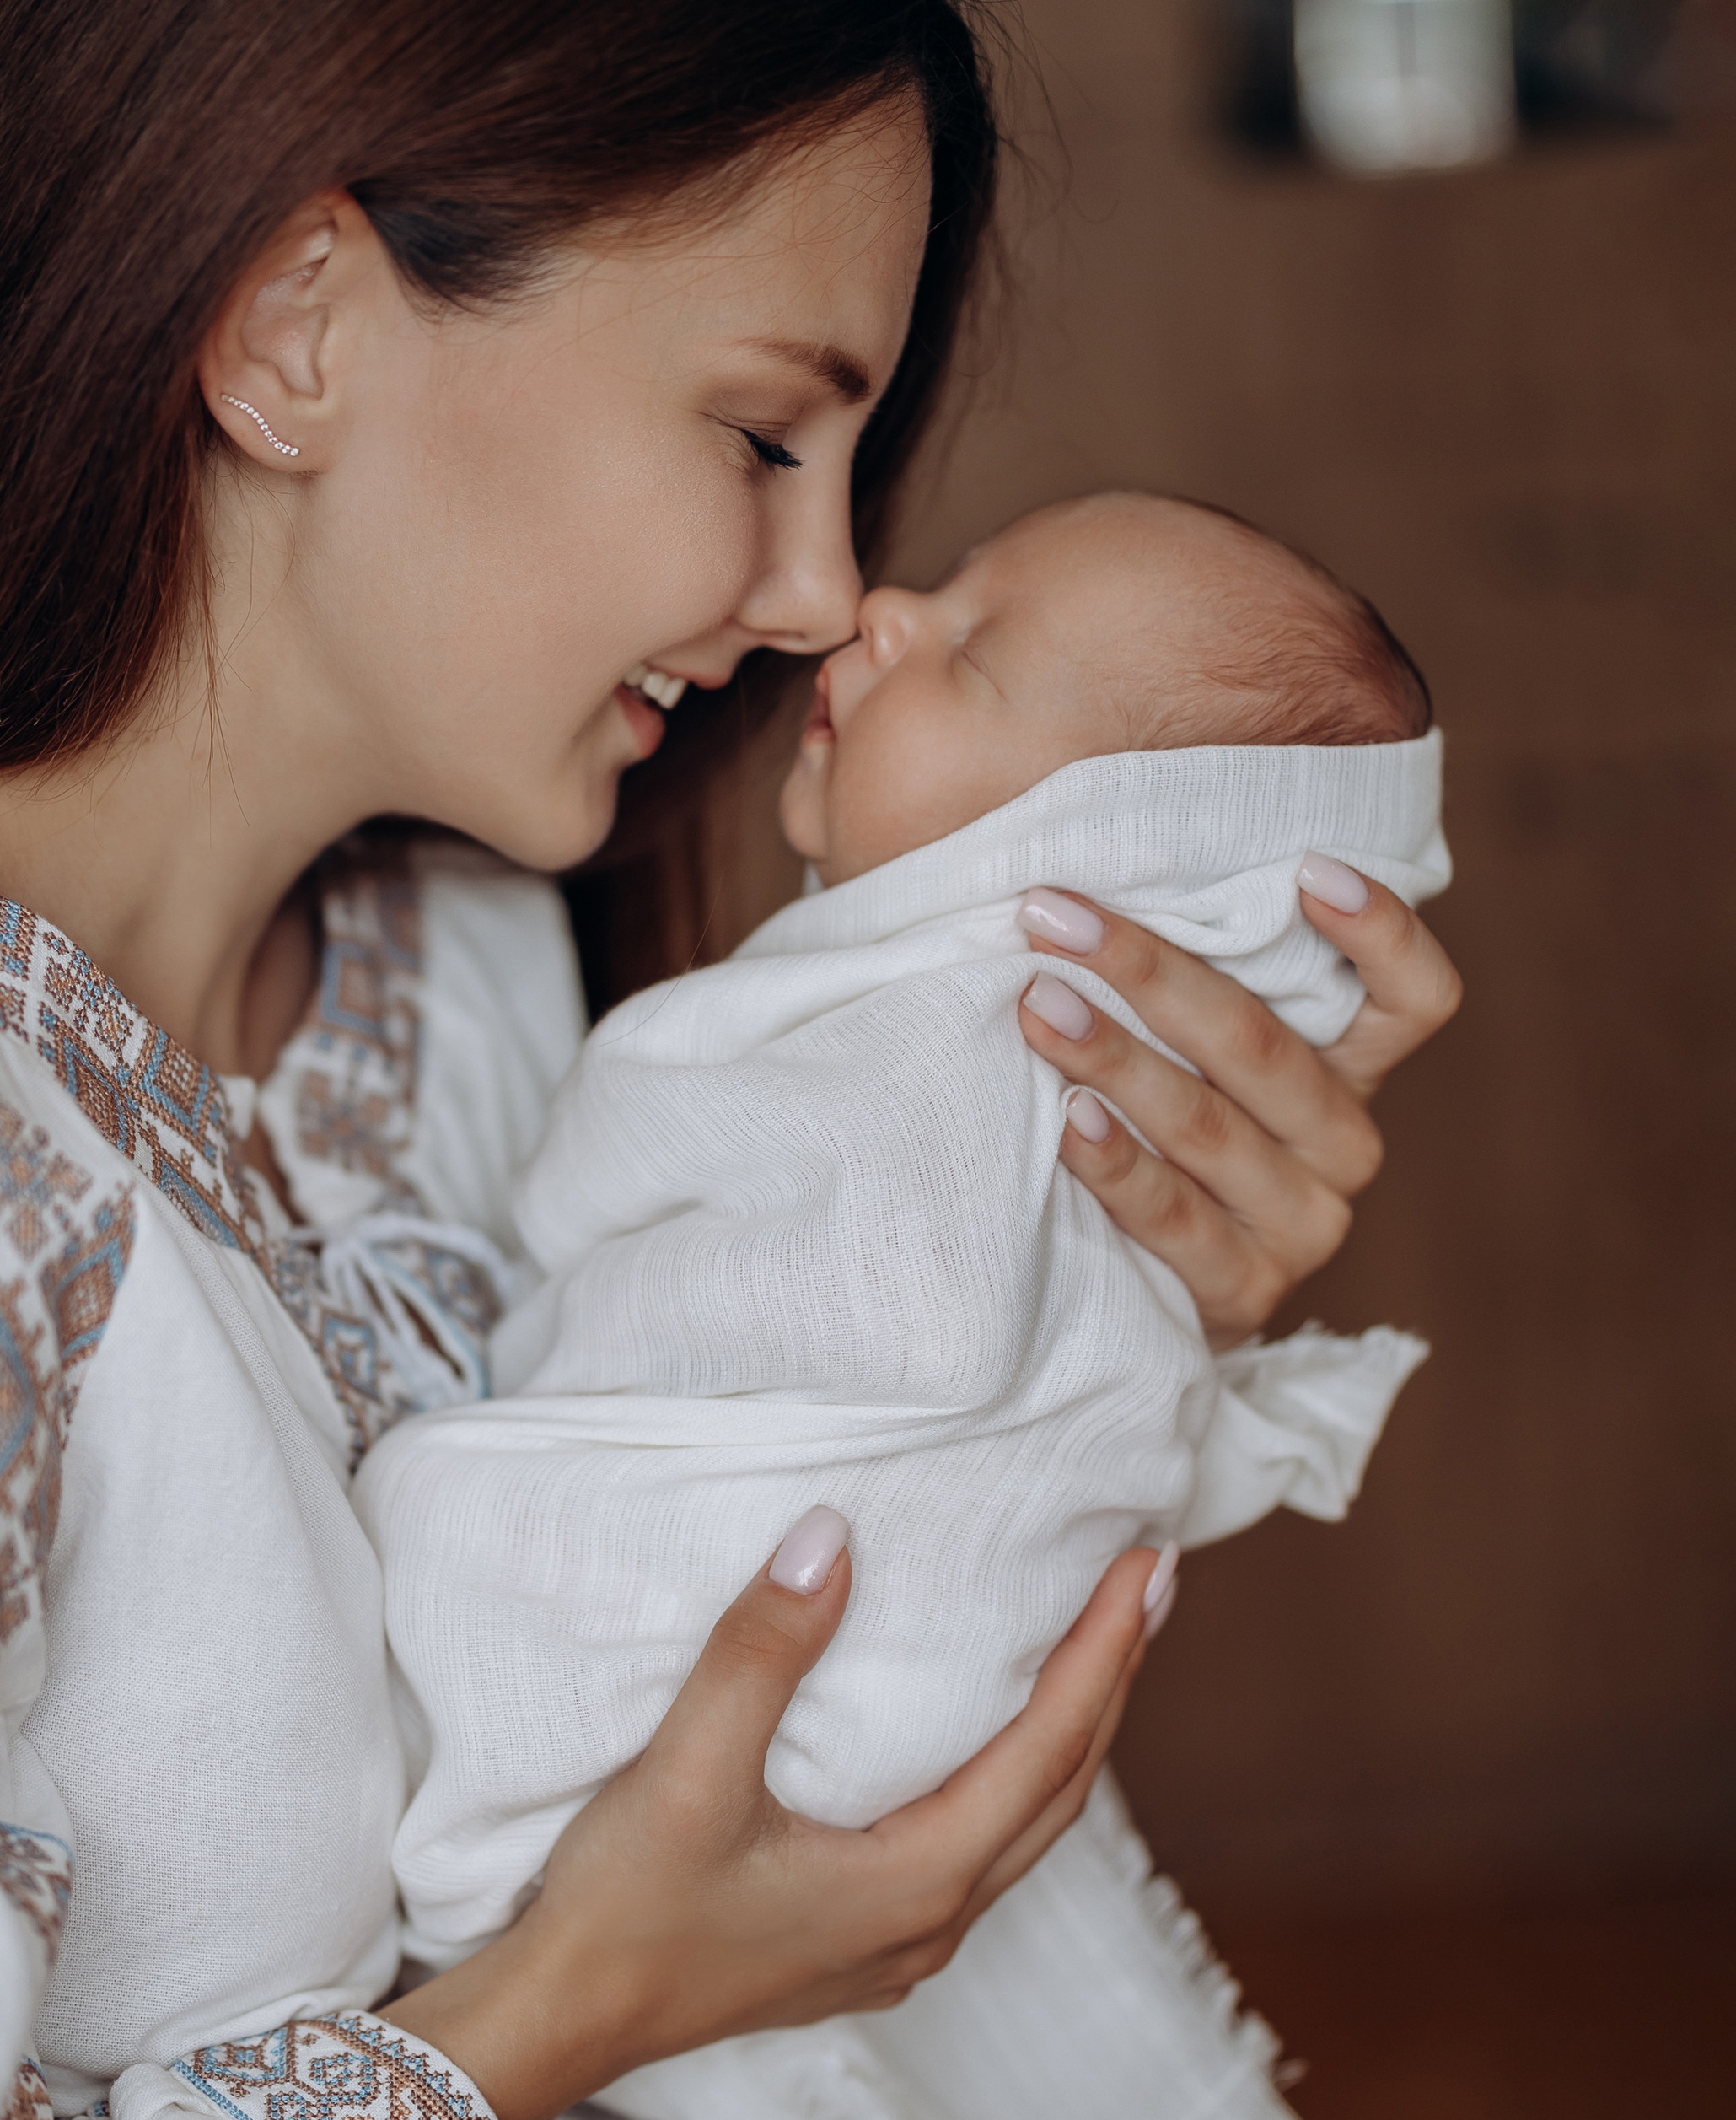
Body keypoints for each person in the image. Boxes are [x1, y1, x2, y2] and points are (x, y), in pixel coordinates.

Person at [0, 5, 1462, 2117]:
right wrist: (563, 2015)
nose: (824, 593)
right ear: (296, 330)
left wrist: (1086, 1308)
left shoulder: (474, 982)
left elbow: (722, 1646)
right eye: (769, 436)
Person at [362, 492, 1451, 2119]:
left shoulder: (964, 1043)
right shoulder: (878, 1026)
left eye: (974, 648)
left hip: (819, 1697)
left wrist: (1134, 1332)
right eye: (942, 592)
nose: (870, 606)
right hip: (742, 1804)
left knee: (445, 1521)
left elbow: (913, 1330)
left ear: (1092, 857)